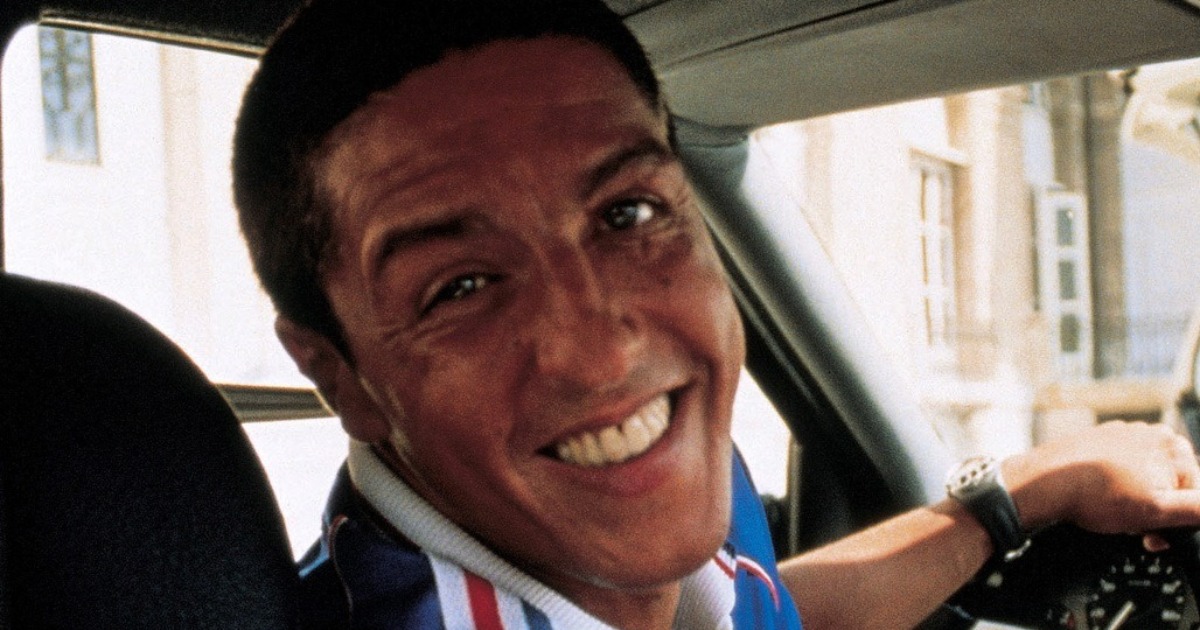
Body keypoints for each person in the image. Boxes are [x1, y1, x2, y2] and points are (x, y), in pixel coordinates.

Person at [232, 0, 1200, 627]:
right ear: (341, 377)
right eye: (462, 288)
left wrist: (1021, 492)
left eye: (628, 215)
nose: (602, 355)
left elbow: (764, 613)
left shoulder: (598, 520)